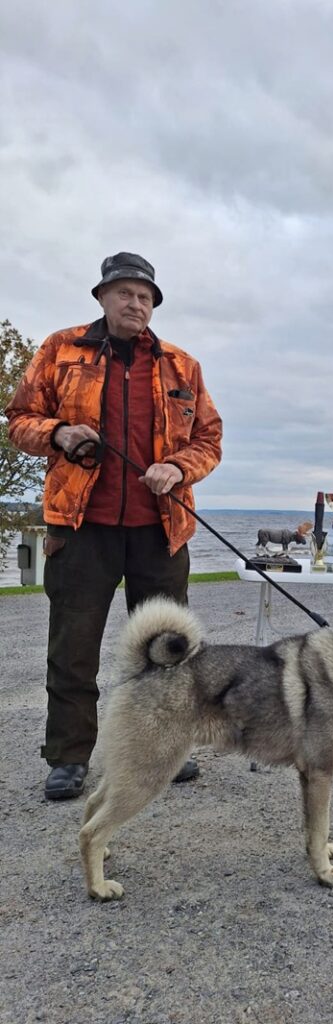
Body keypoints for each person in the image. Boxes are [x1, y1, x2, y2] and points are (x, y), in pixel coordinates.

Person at [6, 252, 223, 800]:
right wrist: (58, 434)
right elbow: (19, 420)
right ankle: (69, 757)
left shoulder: (182, 366)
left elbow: (209, 440)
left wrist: (178, 467)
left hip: (161, 531)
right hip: (81, 529)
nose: (136, 303)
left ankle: (164, 751)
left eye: (145, 296)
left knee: (168, 651)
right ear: (102, 297)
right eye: (125, 292)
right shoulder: (61, 349)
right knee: (72, 652)